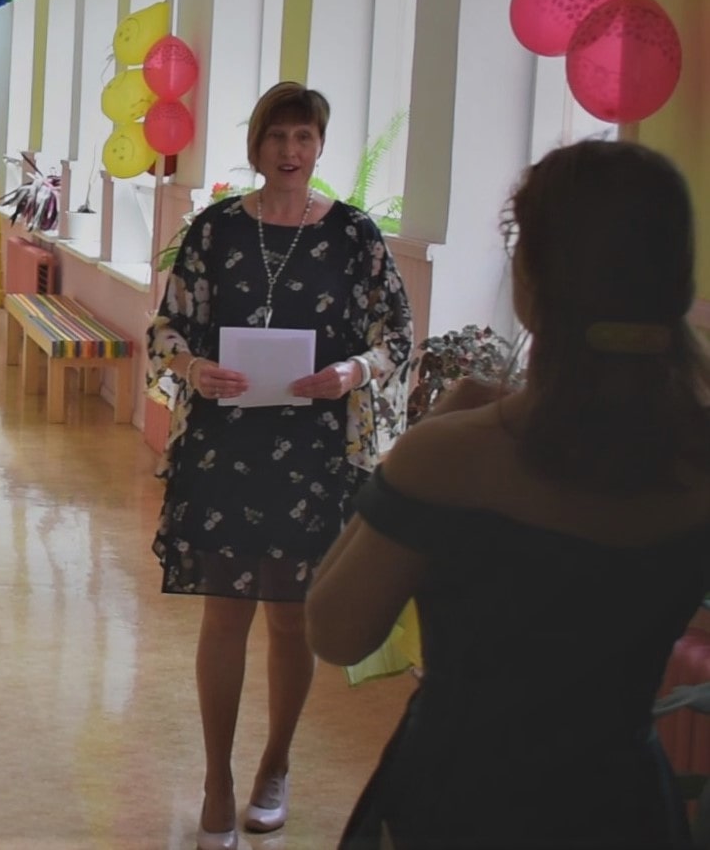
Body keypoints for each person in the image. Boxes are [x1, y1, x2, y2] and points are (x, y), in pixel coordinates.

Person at [311, 140, 710, 849]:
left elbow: (335, 629)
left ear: (530, 280)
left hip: (459, 801)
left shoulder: (456, 455)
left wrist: (423, 440)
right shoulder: (693, 455)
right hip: (624, 809)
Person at [147, 82, 414, 849]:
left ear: (319, 145)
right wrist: (193, 368)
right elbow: (167, 329)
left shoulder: (353, 235)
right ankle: (216, 780)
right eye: (276, 137)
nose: (290, 152)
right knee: (224, 614)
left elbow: (395, 334)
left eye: (303, 137)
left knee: (292, 616)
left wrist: (351, 372)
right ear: (256, 145)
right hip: (222, 445)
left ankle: (273, 766)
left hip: (313, 451)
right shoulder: (215, 230)